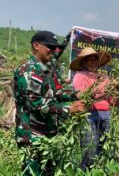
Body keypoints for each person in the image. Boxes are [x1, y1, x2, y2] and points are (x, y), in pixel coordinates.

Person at [13, 31, 85, 175]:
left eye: (55, 48)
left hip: (48, 133)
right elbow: (36, 103)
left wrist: (74, 95)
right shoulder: (28, 71)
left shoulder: (46, 69)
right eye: (50, 47)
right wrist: (68, 109)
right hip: (32, 136)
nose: (53, 51)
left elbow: (55, 93)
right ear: (36, 45)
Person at [70, 47, 112, 170]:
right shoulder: (80, 76)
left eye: (95, 60)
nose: (93, 62)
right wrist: (102, 93)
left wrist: (117, 92)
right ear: (84, 62)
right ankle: (87, 171)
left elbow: (111, 99)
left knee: (104, 147)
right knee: (90, 147)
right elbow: (82, 96)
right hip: (89, 115)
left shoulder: (104, 77)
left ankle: (100, 170)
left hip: (106, 115)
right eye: (89, 60)